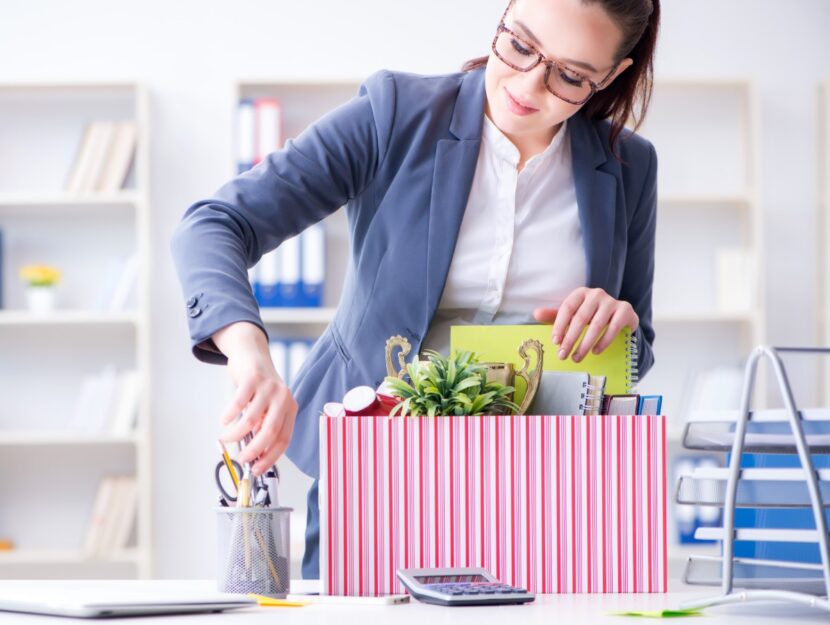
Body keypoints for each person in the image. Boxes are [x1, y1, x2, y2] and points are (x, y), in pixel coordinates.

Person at [171, 0, 660, 579]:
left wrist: (615, 322)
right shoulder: (394, 114)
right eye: (521, 45)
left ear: (613, 75)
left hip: (543, 489)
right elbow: (215, 224)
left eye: (571, 76)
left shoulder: (628, 165)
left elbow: (638, 346)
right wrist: (251, 358)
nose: (530, 84)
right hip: (375, 473)